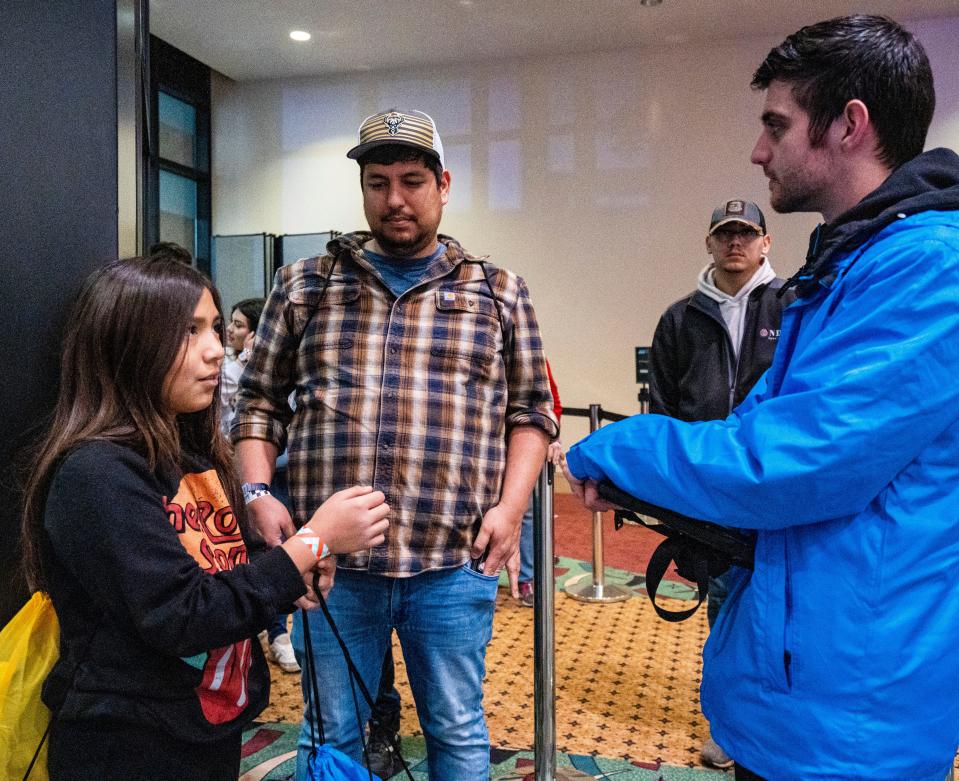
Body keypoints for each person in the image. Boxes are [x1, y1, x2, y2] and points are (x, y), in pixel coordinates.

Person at [564, 14, 959, 781]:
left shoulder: (925, 270)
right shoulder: (848, 265)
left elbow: (787, 461)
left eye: (776, 125)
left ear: (849, 126)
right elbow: (762, 430)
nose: (757, 150)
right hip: (800, 691)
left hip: (851, 721)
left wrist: (613, 444)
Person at [232, 108, 558, 779]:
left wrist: (512, 506)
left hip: (449, 558)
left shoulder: (496, 292)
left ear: (443, 184)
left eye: (412, 180)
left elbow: (531, 411)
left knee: (457, 728)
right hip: (329, 568)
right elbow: (257, 401)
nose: (395, 199)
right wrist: (258, 490)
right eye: (377, 182)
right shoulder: (306, 285)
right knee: (329, 730)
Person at [19, 257, 390, 781]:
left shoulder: (190, 455)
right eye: (188, 332)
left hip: (199, 722)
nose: (217, 348)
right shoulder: (96, 472)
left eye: (215, 328)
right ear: (129, 346)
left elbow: (218, 562)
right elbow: (181, 613)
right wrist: (310, 543)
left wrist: (289, 569)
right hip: (128, 743)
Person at [648, 199, 793, 768]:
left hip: (779, 491)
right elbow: (663, 410)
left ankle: (779, 728)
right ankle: (731, 731)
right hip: (713, 501)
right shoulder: (679, 319)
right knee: (725, 615)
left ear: (765, 242)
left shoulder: (794, 306)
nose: (736, 243)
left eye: (747, 233)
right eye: (724, 234)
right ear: (710, 243)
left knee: (786, 611)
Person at [517, 360, 563, 607]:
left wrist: (551, 436)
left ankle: (528, 578)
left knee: (529, 513)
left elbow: (553, 400)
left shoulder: (534, 356)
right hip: (489, 448)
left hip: (526, 444)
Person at [220, 297, 265, 436]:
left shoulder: (267, 368)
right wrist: (243, 358)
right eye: (231, 322)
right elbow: (219, 394)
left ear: (255, 334)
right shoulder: (224, 356)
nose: (229, 329)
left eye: (238, 325)